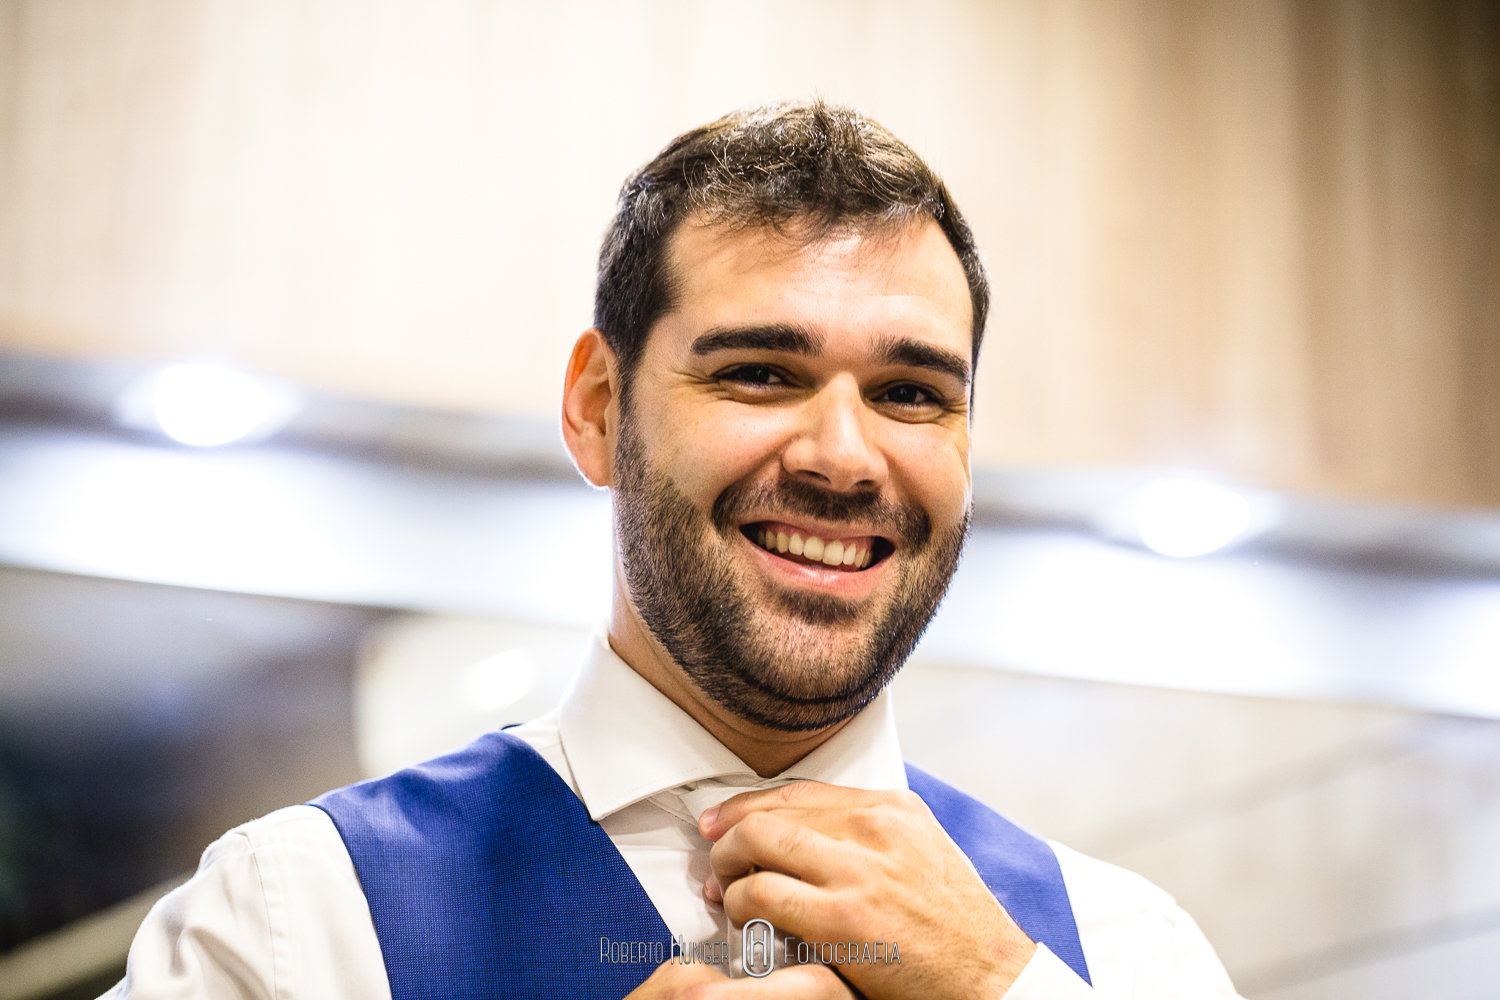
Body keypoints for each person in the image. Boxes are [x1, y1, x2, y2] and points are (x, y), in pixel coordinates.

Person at [107, 101, 1242, 999]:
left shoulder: (1128, 953)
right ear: (600, 407)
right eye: (760, 372)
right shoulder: (291, 927)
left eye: (910, 392)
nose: (846, 457)